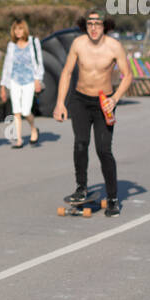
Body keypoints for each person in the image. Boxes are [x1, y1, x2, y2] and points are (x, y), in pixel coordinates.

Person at [53, 13, 131, 216]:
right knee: (80, 143)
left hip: (104, 102)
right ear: (84, 26)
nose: (93, 27)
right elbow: (67, 72)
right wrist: (60, 103)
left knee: (104, 150)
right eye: (90, 24)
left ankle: (113, 197)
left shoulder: (114, 46)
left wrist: (115, 98)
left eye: (97, 24)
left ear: (105, 26)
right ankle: (81, 188)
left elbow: (128, 75)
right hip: (79, 100)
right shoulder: (78, 44)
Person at [0, 18, 43, 147]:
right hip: (14, 80)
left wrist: (37, 80)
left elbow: (39, 62)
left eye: (20, 28)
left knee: (25, 111)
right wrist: (3, 86)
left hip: (29, 80)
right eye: (15, 29)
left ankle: (33, 128)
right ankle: (19, 139)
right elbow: (7, 65)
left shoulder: (33, 42)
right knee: (16, 111)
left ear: (25, 29)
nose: (17, 32)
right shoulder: (11, 45)